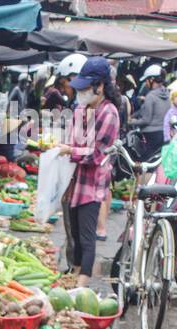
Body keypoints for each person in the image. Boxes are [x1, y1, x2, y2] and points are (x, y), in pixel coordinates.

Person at [57, 57, 120, 286]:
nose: (81, 91)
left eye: (85, 87)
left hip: (92, 185)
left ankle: (81, 287)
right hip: (74, 182)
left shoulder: (109, 113)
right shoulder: (81, 109)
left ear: (100, 86)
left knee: (86, 238)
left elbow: (96, 154)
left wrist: (69, 150)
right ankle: (72, 278)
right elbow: (73, 140)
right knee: (74, 235)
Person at [131, 65, 170, 160]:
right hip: (165, 134)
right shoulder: (167, 94)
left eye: (146, 80)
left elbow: (146, 120)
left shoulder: (150, 96)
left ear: (152, 79)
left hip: (151, 136)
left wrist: (131, 121)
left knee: (143, 163)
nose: (146, 83)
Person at [164, 79, 177, 143]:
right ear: (172, 99)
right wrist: (167, 139)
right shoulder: (170, 112)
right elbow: (166, 126)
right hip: (175, 139)